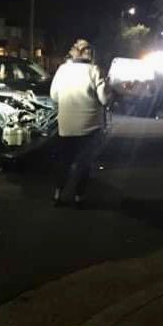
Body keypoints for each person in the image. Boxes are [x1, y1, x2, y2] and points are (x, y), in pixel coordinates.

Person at [50, 39, 110, 207]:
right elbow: (104, 99)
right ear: (89, 53)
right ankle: (79, 197)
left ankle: (57, 195)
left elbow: (54, 96)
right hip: (89, 127)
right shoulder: (95, 70)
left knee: (64, 162)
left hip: (66, 126)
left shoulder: (62, 70)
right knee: (84, 164)